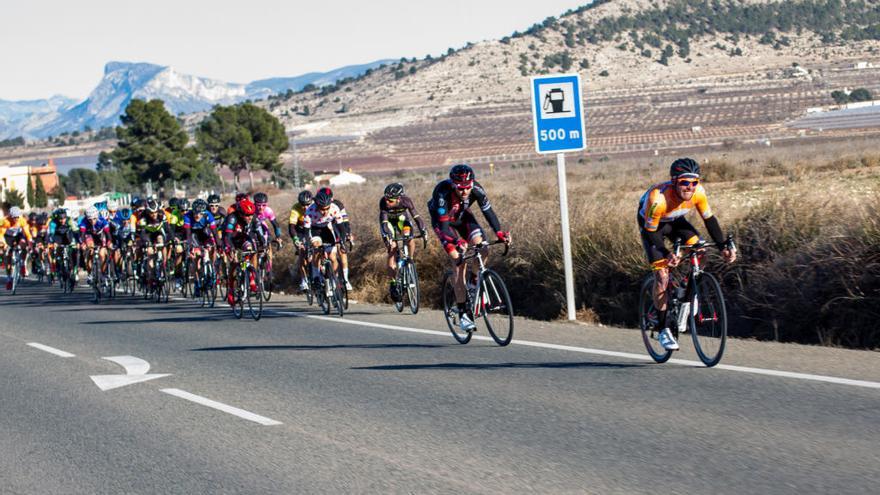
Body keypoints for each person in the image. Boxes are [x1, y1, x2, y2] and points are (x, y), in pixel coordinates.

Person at [638, 157, 737, 351]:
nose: (690, 187)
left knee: (701, 250)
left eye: (694, 182)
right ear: (674, 181)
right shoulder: (657, 198)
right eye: (685, 182)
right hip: (653, 227)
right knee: (662, 275)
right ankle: (663, 328)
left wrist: (723, 245)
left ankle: (687, 293)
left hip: (675, 221)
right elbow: (651, 233)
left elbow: (709, 220)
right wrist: (667, 254)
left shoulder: (698, 193)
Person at [427, 164, 510, 332]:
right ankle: (464, 314)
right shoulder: (442, 192)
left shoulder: (477, 189)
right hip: (443, 223)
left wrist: (499, 232)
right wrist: (456, 241)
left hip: (463, 218)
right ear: (452, 184)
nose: (465, 191)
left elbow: (489, 213)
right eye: (460, 188)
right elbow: (444, 227)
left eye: (468, 187)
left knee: (483, 248)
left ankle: (473, 284)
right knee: (459, 261)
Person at [379, 182, 427, 301]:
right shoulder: (383, 203)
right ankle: (393, 283)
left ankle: (409, 259)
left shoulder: (406, 201)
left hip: (402, 220)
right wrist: (389, 236)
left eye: (390, 200)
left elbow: (416, 217)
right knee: (392, 249)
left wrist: (423, 230)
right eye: (386, 199)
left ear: (398, 199)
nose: (387, 202)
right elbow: (384, 222)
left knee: (409, 236)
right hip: (388, 223)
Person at [303, 190, 346, 294]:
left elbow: (341, 228)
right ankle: (316, 276)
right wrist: (308, 244)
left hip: (327, 228)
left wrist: (342, 240)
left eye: (327, 209)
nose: (325, 212)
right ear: (317, 206)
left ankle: (334, 279)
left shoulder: (334, 209)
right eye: (322, 209)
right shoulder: (310, 211)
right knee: (317, 249)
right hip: (314, 229)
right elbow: (306, 231)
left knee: (332, 256)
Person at [223, 198, 260, 305]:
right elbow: (228, 237)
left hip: (243, 239)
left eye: (251, 215)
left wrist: (264, 245)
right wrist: (231, 249)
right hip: (230, 240)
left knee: (252, 250)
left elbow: (258, 233)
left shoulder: (252, 218)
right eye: (247, 215)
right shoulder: (232, 218)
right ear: (240, 214)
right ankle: (230, 289)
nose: (250, 217)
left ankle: (251, 278)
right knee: (234, 263)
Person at [317, 187, 353, 290]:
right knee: (325, 251)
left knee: (342, 251)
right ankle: (323, 272)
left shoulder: (338, 204)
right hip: (323, 228)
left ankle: (345, 280)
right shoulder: (316, 207)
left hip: (336, 226)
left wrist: (348, 233)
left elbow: (345, 221)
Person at [0, 206, 33, 290]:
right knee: (7, 255)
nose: (16, 219)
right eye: (14, 217)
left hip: (18, 236)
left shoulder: (22, 220)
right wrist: (4, 244)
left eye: (17, 217)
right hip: (7, 237)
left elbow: (27, 234)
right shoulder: (5, 221)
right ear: (10, 216)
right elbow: (1, 235)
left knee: (23, 244)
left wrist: (30, 243)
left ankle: (22, 264)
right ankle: (9, 279)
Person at [288, 190, 313, 292]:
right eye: (303, 205)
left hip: (313, 228)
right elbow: (291, 227)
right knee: (302, 252)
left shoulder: (316, 205)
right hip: (300, 231)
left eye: (308, 204)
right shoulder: (296, 208)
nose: (306, 207)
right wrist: (296, 240)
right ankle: (303, 280)